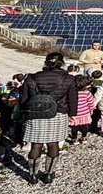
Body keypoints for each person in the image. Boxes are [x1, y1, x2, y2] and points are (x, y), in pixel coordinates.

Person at [19, 52, 78, 185]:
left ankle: (32, 175)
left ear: (46, 62)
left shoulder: (32, 77)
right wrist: (73, 114)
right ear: (62, 63)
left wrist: (24, 112)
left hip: (35, 114)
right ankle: (48, 174)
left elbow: (23, 98)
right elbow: (72, 99)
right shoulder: (69, 78)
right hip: (58, 113)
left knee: (36, 145)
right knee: (53, 144)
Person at [67, 76, 94, 145]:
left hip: (74, 114)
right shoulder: (87, 93)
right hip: (85, 113)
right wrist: (91, 110)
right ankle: (84, 137)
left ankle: (74, 139)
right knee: (85, 127)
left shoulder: (70, 93)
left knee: (74, 128)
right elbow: (91, 103)